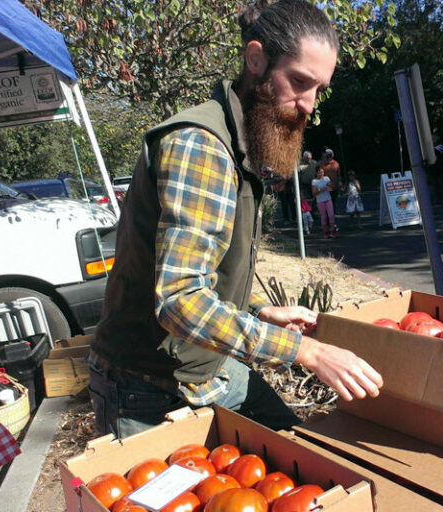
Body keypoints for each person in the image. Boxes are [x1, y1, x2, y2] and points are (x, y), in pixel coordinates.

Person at [88, 0, 382, 438]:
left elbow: (193, 280)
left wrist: (261, 312)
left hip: (205, 370)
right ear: (256, 59)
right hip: (145, 387)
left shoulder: (238, 141)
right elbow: (179, 300)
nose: (308, 106)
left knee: (297, 446)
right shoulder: (202, 146)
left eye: (318, 89)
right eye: (299, 82)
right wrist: (307, 352)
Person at [312, 166, 337, 238]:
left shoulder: (326, 178)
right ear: (316, 173)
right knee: (324, 217)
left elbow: (333, 187)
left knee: (331, 215)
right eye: (319, 172)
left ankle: (332, 231)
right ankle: (325, 232)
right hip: (320, 200)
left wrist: (330, 185)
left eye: (322, 172)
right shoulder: (314, 181)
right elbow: (313, 193)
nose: (321, 174)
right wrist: (320, 190)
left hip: (328, 199)